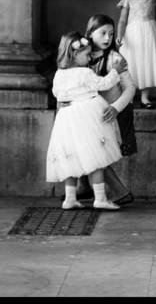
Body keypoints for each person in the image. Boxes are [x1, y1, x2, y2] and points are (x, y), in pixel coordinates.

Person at [45, 32, 125, 210]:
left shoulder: (59, 74)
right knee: (95, 157)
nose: (89, 58)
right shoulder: (85, 72)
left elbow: (57, 94)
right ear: (74, 54)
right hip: (86, 116)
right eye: (87, 54)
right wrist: (116, 71)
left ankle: (70, 199)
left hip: (66, 117)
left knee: (70, 157)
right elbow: (103, 84)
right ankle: (100, 198)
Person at [76, 14, 137, 206]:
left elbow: (130, 88)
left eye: (111, 34)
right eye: (102, 33)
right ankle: (84, 187)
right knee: (81, 144)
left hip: (111, 113)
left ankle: (120, 191)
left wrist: (116, 107)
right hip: (89, 113)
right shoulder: (81, 56)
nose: (107, 38)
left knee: (95, 151)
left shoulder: (114, 58)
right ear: (90, 33)